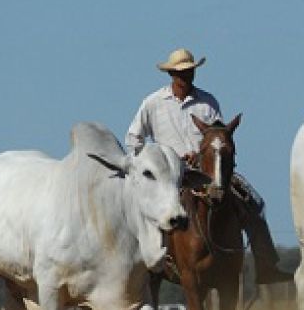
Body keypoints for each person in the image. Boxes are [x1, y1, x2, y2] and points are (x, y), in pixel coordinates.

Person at [126, 48, 293, 285]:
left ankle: (266, 265)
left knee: (253, 202)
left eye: (189, 72)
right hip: (170, 175)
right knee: (135, 211)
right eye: (180, 73)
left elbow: (218, 135)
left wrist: (202, 153)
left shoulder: (207, 102)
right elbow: (133, 140)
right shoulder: (152, 103)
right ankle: (137, 266)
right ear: (171, 74)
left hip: (206, 170)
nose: (185, 78)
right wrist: (157, 160)